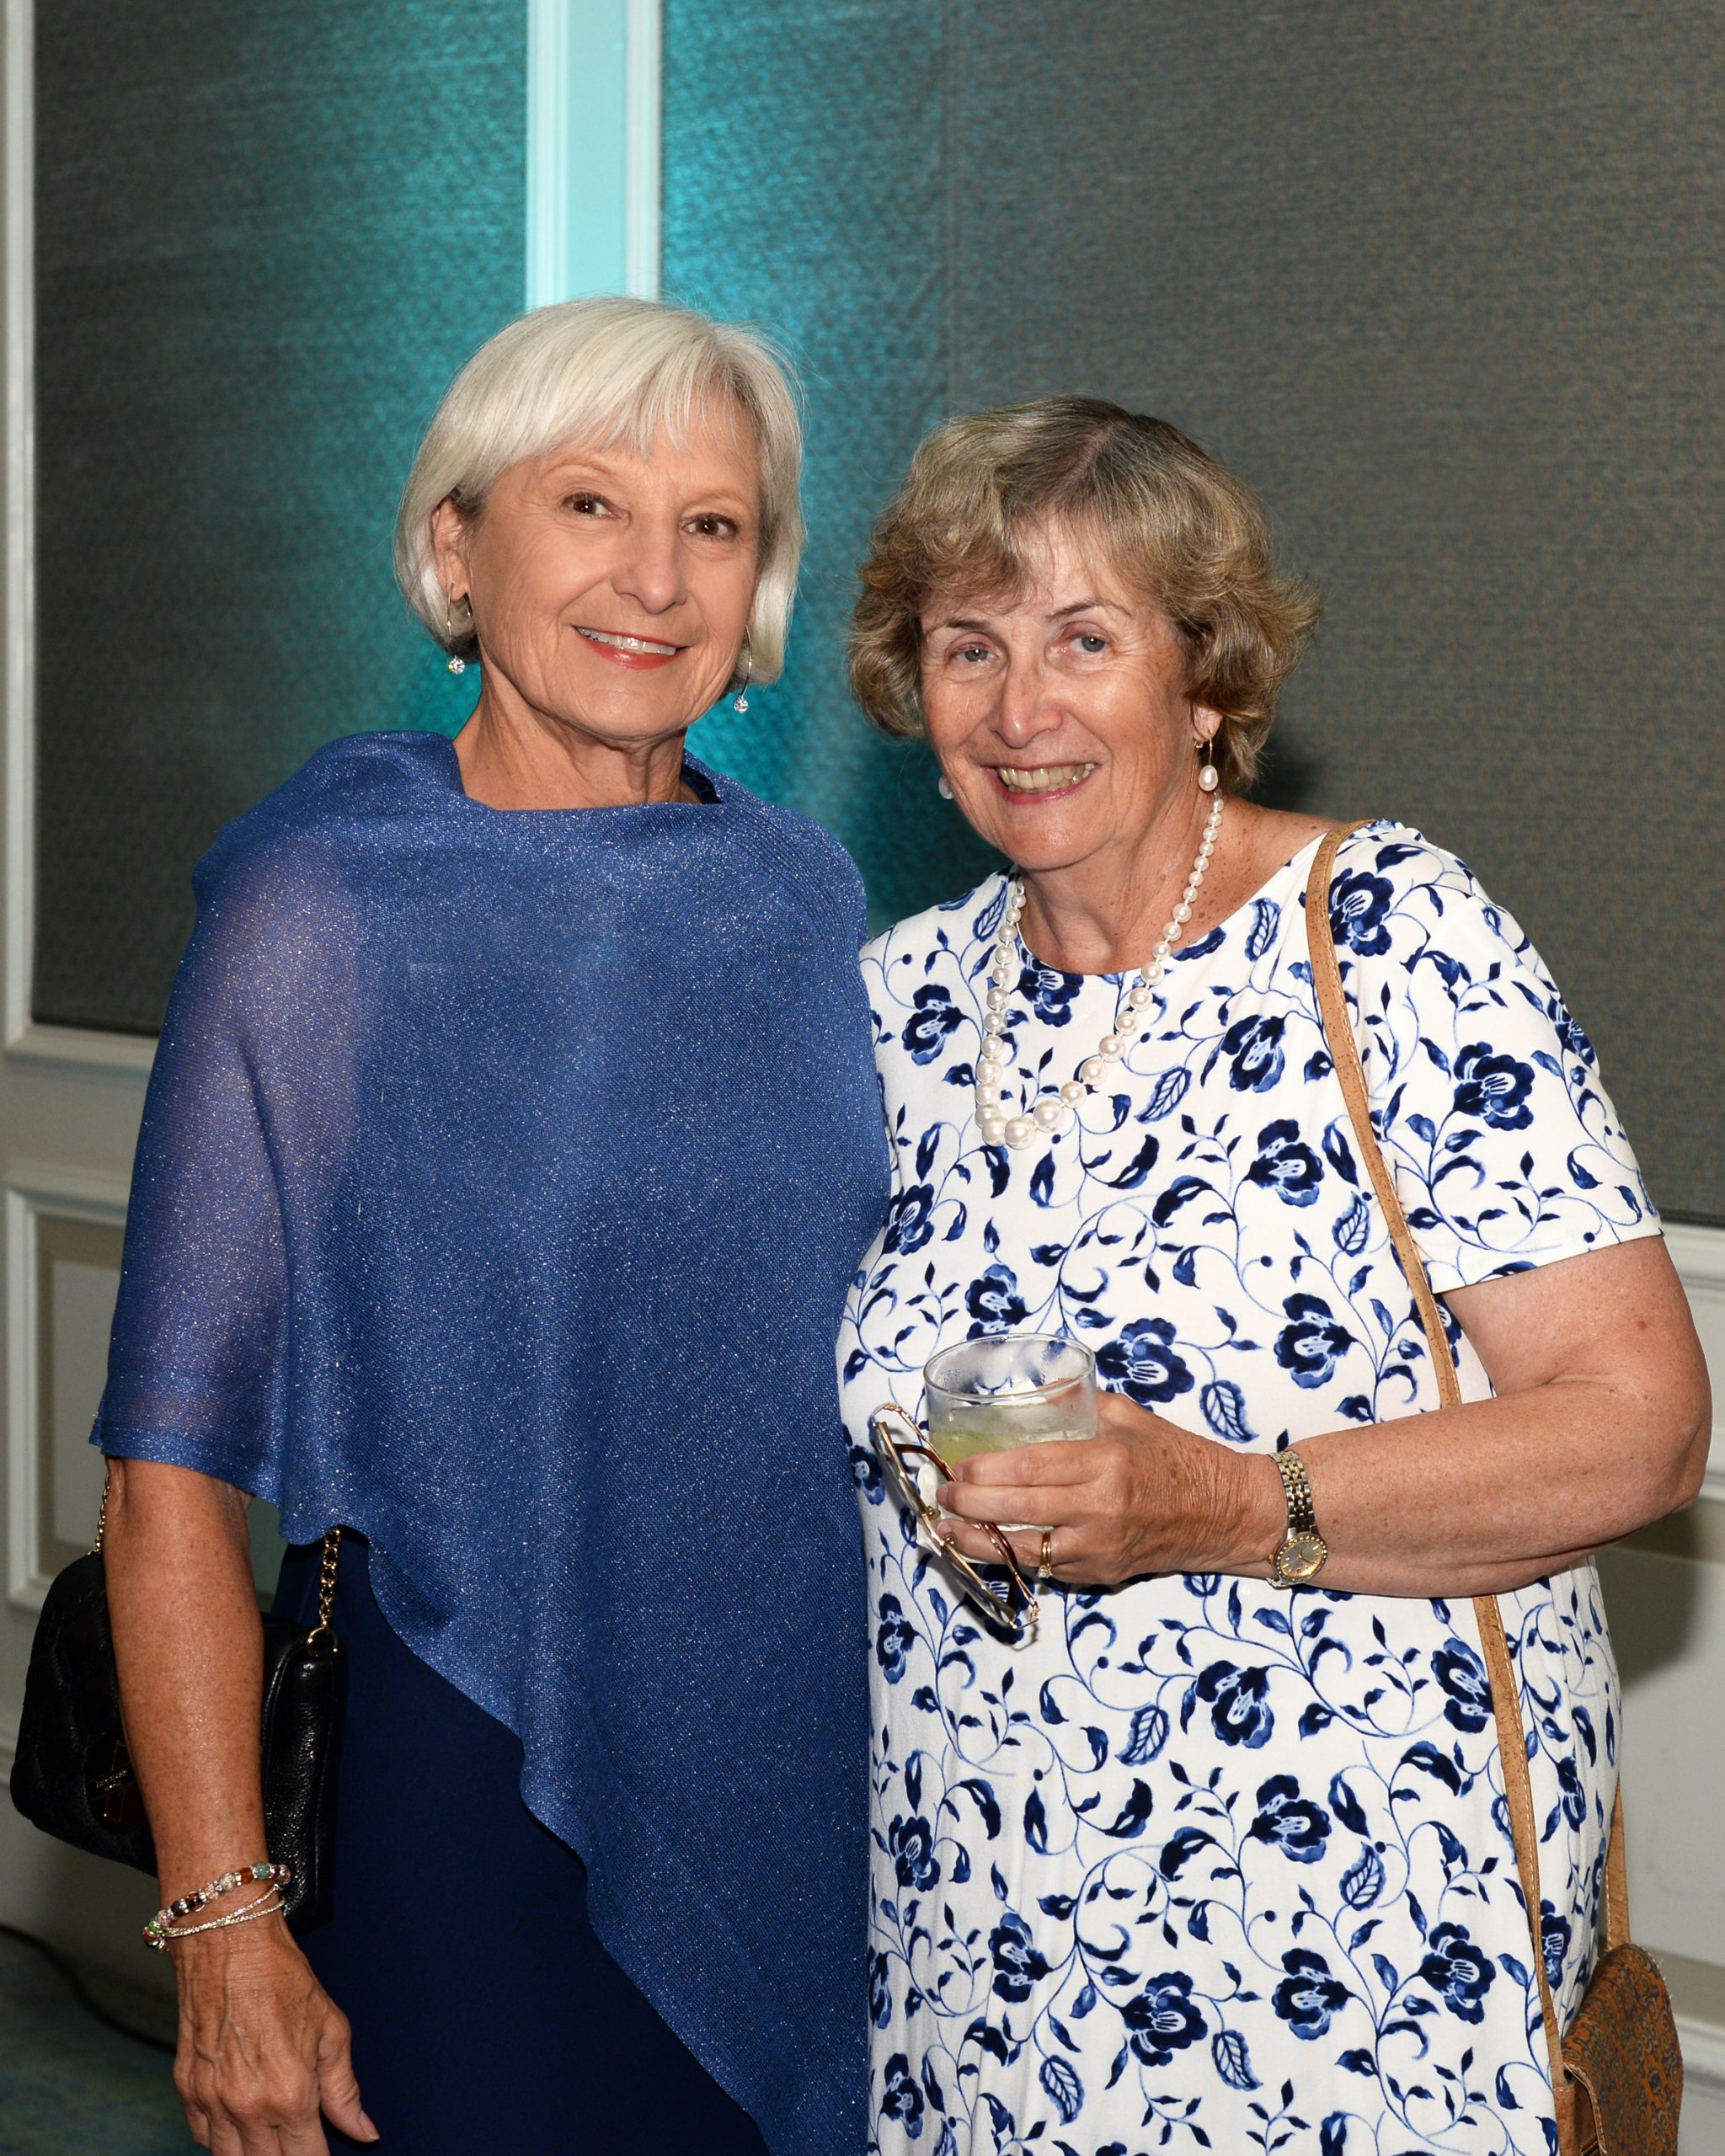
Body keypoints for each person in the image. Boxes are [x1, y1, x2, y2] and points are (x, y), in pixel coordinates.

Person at [838, 396, 1710, 2154]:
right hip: (984, 1947)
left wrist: (1221, 1502)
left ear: (1206, 680)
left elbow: (1640, 1428)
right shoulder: (893, 1002)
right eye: (968, 646)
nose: (1019, 707)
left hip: (1363, 1953)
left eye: (1085, 640)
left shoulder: (1385, 936)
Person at [96, 297, 888, 2156]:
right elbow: (165, 1469)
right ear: (459, 545)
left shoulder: (798, 895)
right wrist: (222, 1922)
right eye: (589, 504)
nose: (655, 578)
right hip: (470, 1778)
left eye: (713, 524)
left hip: (805, 1768)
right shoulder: (321, 908)